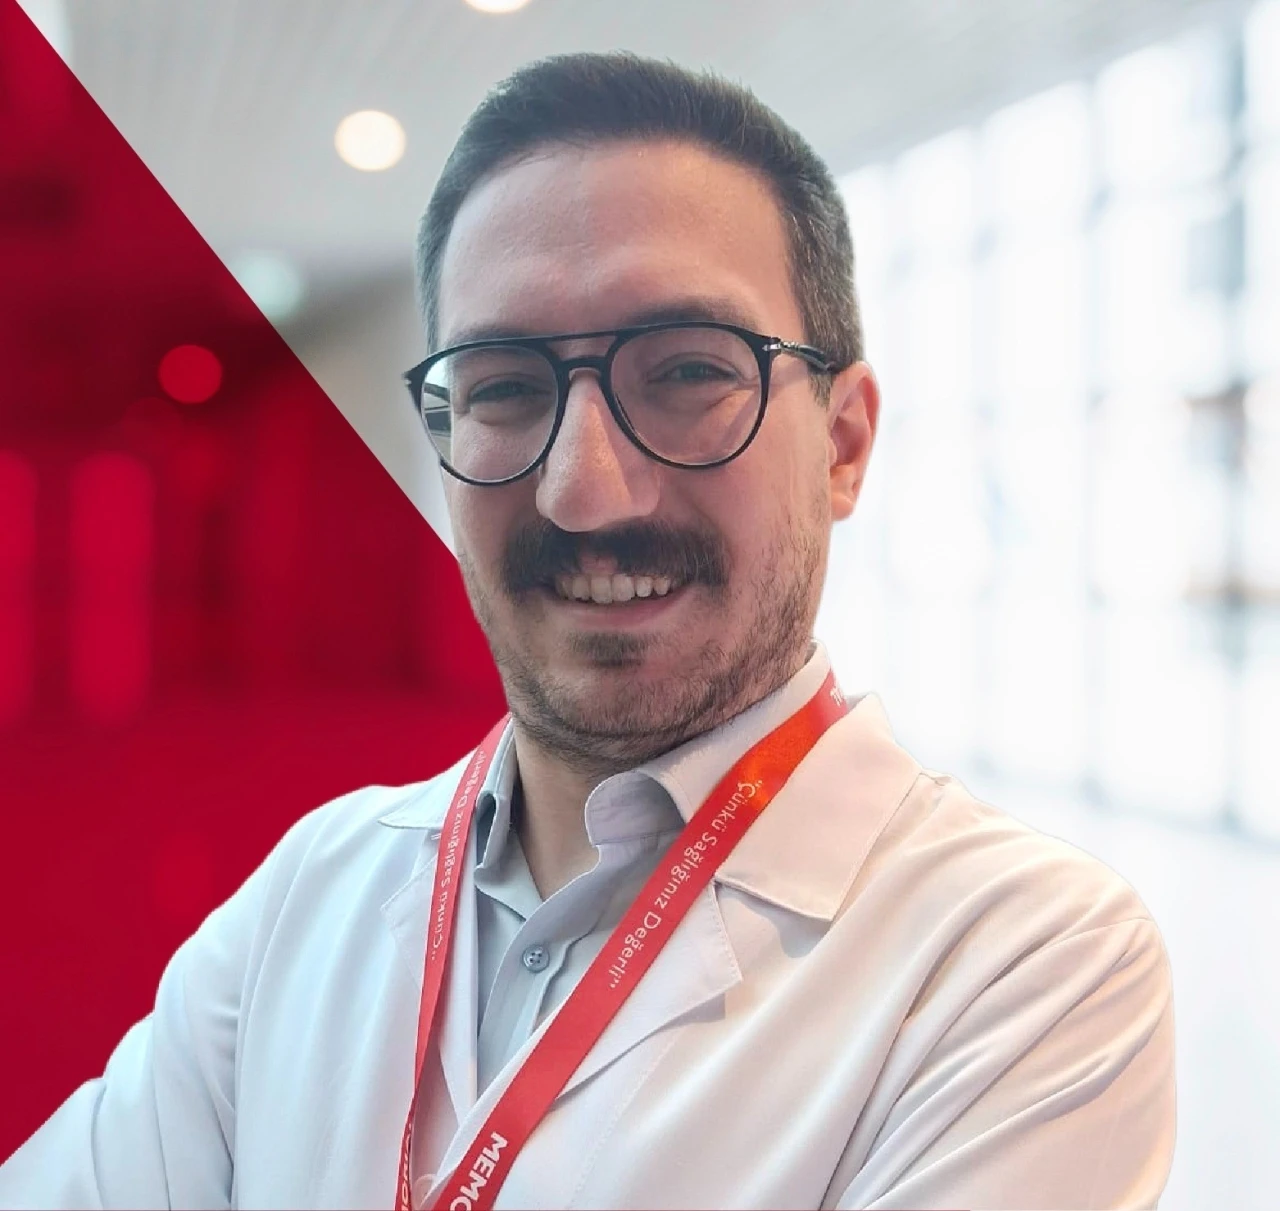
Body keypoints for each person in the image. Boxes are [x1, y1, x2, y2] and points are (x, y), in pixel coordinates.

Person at [0, 52, 1175, 1211]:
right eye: (505, 386)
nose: (583, 492)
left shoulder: (1019, 967)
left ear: (842, 442)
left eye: (687, 371)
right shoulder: (311, 890)